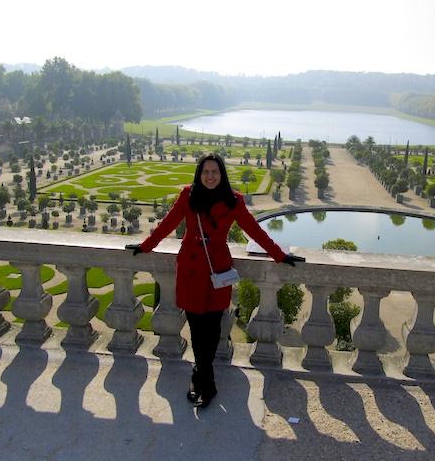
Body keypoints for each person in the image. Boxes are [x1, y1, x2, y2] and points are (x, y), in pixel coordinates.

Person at [126, 153, 304, 408]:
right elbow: (168, 224)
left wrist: (279, 254)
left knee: (211, 331)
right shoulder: (188, 195)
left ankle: (200, 378)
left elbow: (253, 229)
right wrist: (145, 246)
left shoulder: (233, 201)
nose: (210, 176)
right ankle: (206, 384)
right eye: (206, 172)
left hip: (217, 272)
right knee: (197, 329)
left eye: (215, 172)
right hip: (190, 270)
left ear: (222, 175)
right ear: (199, 174)